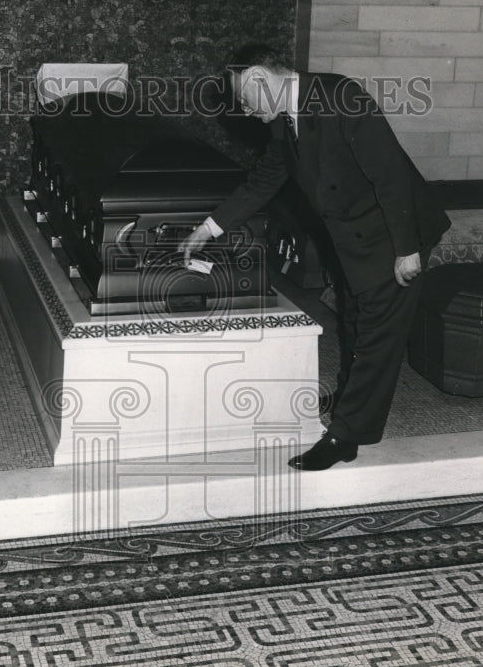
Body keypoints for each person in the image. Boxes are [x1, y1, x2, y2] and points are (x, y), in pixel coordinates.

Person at [180, 44, 451, 471]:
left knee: (378, 335)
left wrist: (406, 250)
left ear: (257, 78)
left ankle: (346, 435)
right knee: (354, 321)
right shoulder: (284, 120)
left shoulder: (340, 96)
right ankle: (350, 399)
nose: (246, 110)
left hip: (392, 231)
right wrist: (209, 228)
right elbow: (265, 179)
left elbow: (390, 174)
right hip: (351, 235)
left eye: (246, 100)